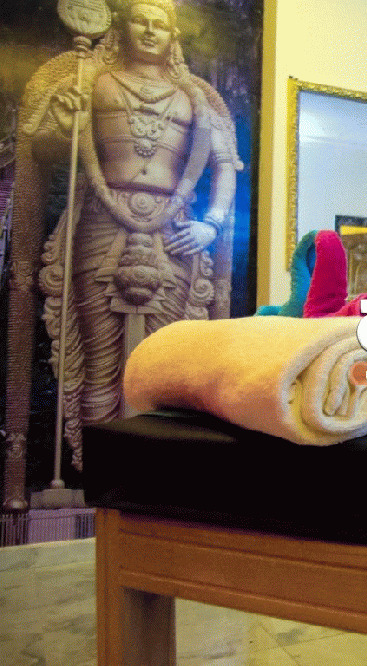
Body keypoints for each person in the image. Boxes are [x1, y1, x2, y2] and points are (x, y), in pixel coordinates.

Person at [4, 0, 242, 489]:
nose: (150, 31)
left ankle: (155, 477)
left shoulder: (196, 97)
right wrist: (66, 125)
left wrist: (213, 224)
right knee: (99, 359)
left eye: (160, 24)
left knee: (164, 362)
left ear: (173, 36)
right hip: (101, 224)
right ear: (122, 27)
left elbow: (225, 166)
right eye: (140, 21)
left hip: (175, 233)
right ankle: (104, 474)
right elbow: (41, 149)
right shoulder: (91, 81)